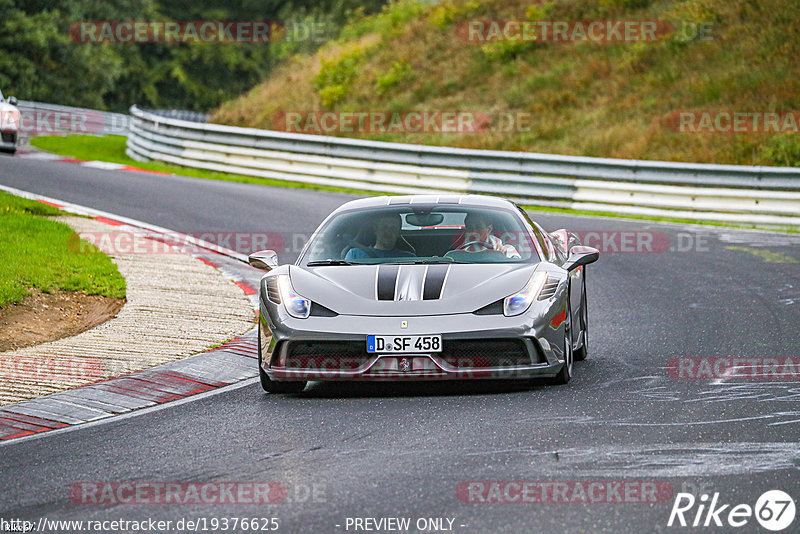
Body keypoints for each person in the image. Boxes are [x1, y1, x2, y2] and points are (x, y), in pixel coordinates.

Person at [345, 213, 416, 260]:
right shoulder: (355, 255)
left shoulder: (408, 258)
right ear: (375, 229)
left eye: (393, 228)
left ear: (399, 233)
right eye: (384, 227)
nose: (388, 231)